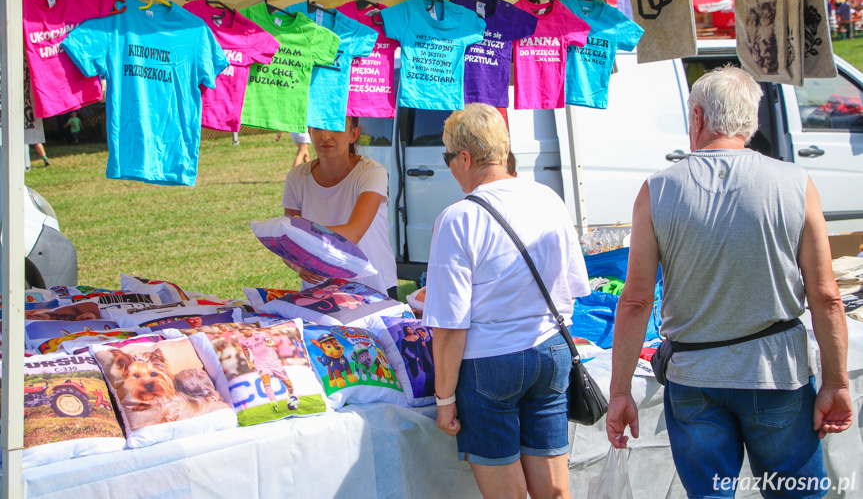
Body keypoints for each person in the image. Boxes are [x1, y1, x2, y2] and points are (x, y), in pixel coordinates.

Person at [606, 66, 852, 498]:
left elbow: (636, 301)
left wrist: (621, 391)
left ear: (697, 118)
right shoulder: (796, 183)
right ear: (751, 121)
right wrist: (836, 382)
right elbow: (827, 297)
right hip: (777, 375)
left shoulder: (658, 189)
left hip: (694, 377)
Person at [423, 103, 589, 499]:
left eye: (447, 158)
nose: (449, 167)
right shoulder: (548, 198)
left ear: (464, 157)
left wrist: (444, 401)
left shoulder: (458, 217)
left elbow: (449, 327)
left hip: (490, 363)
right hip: (550, 352)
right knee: (554, 492)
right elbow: (574, 287)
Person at [282, 116, 398, 298]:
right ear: (309, 131)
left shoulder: (372, 172)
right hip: (319, 291)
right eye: (318, 127)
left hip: (373, 288)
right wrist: (297, 264)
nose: (325, 136)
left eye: (335, 127)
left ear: (354, 134)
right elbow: (288, 243)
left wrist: (300, 238)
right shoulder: (296, 177)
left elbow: (355, 231)